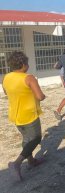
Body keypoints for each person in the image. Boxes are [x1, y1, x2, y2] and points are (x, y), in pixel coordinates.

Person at [2, 51, 46, 181]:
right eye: (27, 63)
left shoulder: (7, 77)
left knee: (27, 138)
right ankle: (16, 163)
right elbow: (40, 96)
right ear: (22, 64)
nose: (28, 65)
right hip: (29, 114)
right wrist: (43, 96)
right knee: (36, 139)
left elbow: (6, 92)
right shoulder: (29, 78)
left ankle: (31, 161)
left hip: (15, 114)